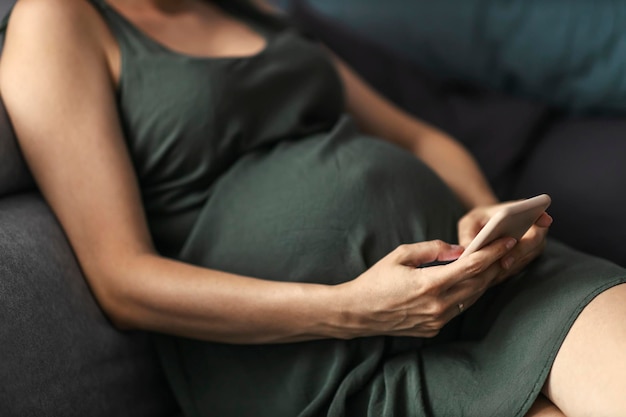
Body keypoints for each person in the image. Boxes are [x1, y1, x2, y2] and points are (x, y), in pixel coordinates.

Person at [1, 0, 625, 416]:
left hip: (479, 284)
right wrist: (354, 310)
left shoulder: (250, 7)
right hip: (319, 360)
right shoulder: (58, 17)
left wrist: (484, 214)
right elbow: (121, 280)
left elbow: (418, 138)